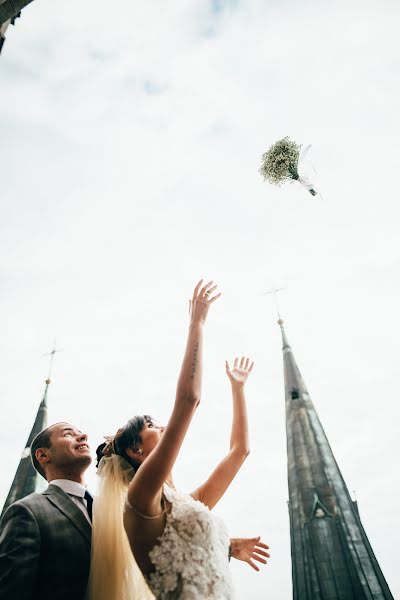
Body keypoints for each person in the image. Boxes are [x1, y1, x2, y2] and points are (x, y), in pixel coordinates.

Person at [89, 280, 270, 599]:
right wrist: (197, 322)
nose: (161, 425)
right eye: (151, 424)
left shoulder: (186, 501)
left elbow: (239, 451)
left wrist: (237, 390)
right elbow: (188, 400)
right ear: (136, 449)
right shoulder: (141, 498)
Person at [0, 422, 93, 600]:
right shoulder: (27, 511)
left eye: (81, 433)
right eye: (68, 434)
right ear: (43, 455)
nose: (83, 436)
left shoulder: (110, 507)